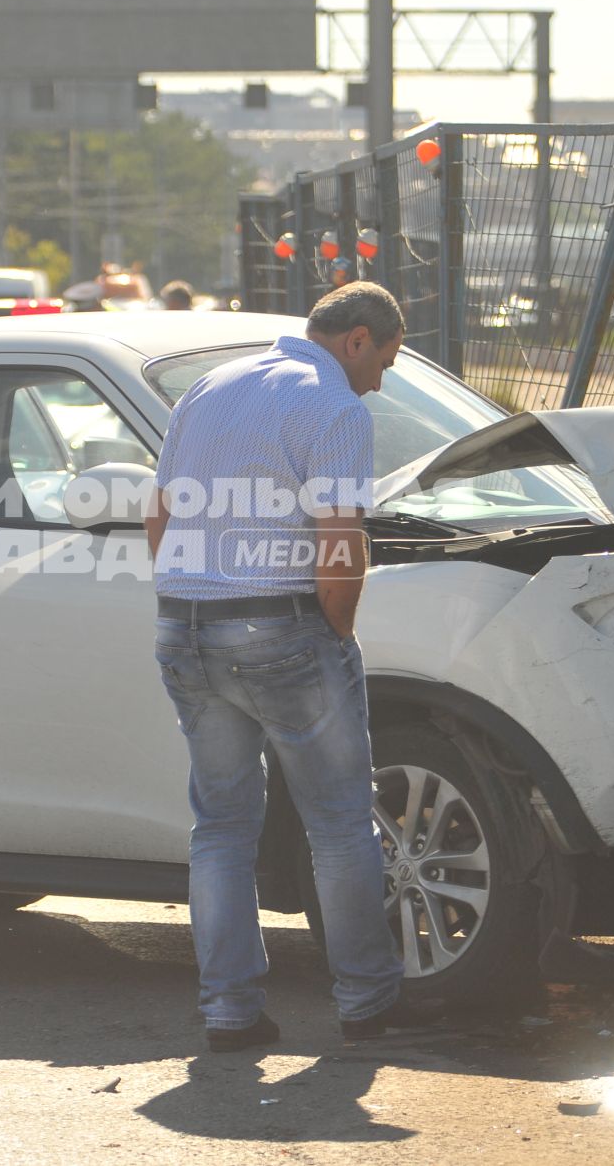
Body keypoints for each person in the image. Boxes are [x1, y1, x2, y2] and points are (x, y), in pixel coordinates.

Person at [145, 280, 421, 1052]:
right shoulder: (335, 406)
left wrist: (188, 598)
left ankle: (229, 1013)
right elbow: (340, 541)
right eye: (385, 361)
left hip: (186, 629)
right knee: (337, 823)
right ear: (356, 339)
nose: (380, 379)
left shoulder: (210, 385)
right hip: (284, 632)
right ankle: (367, 1000)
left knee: (222, 828)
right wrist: (336, 634)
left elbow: (159, 514)